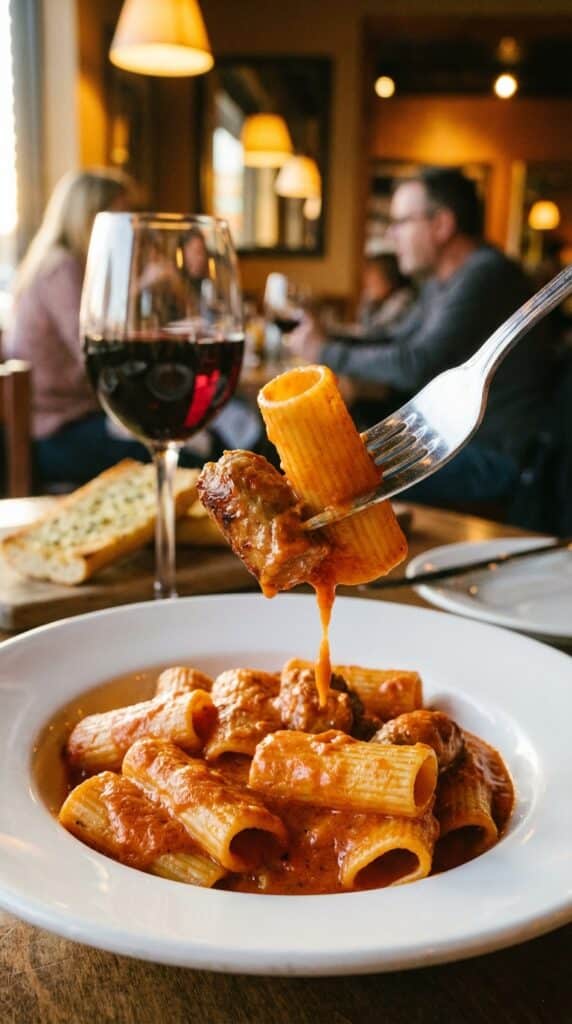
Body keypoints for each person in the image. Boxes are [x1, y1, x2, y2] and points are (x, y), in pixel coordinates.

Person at [292, 168, 553, 508]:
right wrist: (328, 336)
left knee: (335, 474)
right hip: (452, 436)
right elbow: (394, 338)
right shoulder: (440, 283)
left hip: (499, 458)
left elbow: (417, 363)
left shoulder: (486, 274)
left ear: (442, 225)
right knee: (326, 448)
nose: (391, 233)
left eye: (401, 221)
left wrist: (324, 349)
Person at [4, 168, 153, 487]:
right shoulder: (61, 268)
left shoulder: (68, 265)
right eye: (121, 216)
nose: (129, 228)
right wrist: (143, 288)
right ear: (88, 217)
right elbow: (98, 353)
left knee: (190, 446)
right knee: (188, 460)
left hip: (82, 420)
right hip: (56, 434)